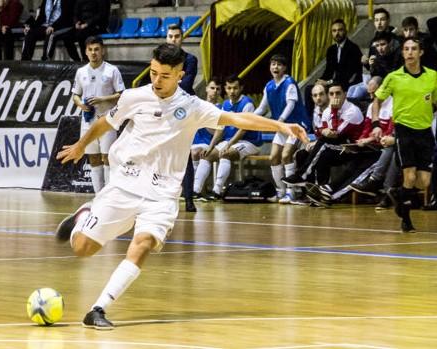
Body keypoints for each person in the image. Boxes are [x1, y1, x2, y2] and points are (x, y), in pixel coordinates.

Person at [54, 43, 308, 330]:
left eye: (164, 75)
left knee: (143, 243)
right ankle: (83, 216)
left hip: (162, 192)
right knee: (83, 248)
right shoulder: (134, 97)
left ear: (179, 74)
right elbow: (105, 122)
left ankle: (98, 308)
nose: (156, 81)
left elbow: (238, 118)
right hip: (125, 182)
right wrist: (80, 145)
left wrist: (280, 126)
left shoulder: (192, 107)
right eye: (153, 73)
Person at [371, 37, 437, 233]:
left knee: (424, 181)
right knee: (409, 175)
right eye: (406, 49)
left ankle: (398, 194)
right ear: (402, 53)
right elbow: (376, 101)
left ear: (421, 52)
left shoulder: (433, 76)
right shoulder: (394, 77)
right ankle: (406, 221)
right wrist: (376, 124)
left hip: (425, 131)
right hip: (404, 130)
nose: (410, 52)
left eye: (414, 49)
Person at [193, 75, 261, 200]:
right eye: (229, 88)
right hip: (230, 141)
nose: (232, 91)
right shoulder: (225, 104)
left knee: (225, 154)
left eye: (235, 88)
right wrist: (211, 146)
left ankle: (217, 191)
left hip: (249, 142)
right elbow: (220, 128)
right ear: (225, 88)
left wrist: (228, 145)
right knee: (206, 155)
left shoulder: (247, 104)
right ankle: (196, 191)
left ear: (241, 88)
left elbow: (243, 130)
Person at [71, 36, 124, 194]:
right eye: (90, 50)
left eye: (96, 49)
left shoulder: (112, 70)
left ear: (103, 51)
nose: (93, 53)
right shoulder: (81, 72)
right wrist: (80, 104)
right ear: (86, 52)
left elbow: (121, 94)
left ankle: (108, 195)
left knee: (107, 158)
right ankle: (98, 195)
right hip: (88, 121)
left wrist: (102, 99)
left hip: (107, 120)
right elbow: (75, 95)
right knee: (93, 158)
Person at [254, 54, 310, 203]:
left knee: (286, 156)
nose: (275, 67)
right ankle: (281, 190)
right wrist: (249, 118)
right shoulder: (269, 86)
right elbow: (262, 108)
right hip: (282, 127)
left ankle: (292, 192)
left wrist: (280, 120)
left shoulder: (290, 83)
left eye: (279, 64)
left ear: (284, 68)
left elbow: (291, 104)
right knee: (273, 157)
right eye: (273, 64)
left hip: (296, 125)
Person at [166, 23, 199, 211]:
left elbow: (186, 84)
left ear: (182, 38)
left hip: (184, 108)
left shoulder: (190, 59)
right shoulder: (160, 58)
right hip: (164, 108)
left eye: (177, 36)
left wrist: (168, 86)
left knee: (184, 154)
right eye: (170, 36)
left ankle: (188, 199)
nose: (173, 39)